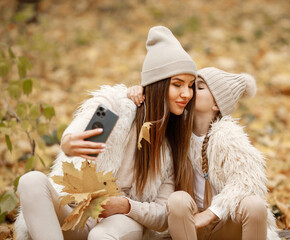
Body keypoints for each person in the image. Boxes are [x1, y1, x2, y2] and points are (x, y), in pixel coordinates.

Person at [14, 26, 197, 240]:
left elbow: (161, 215)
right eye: (177, 84)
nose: (187, 94)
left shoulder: (172, 142)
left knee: (101, 236)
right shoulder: (118, 111)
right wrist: (68, 141)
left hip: (121, 222)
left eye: (191, 85)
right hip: (78, 215)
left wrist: (127, 205)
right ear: (157, 84)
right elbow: (90, 121)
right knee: (31, 181)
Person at [128, 67, 280, 240]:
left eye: (198, 88)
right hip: (189, 224)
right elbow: (156, 109)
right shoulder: (177, 128)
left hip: (224, 223)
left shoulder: (227, 135)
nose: (189, 92)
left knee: (254, 205)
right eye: (190, 86)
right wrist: (141, 90)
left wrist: (211, 213)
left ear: (216, 104)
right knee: (177, 199)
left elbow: (248, 180)